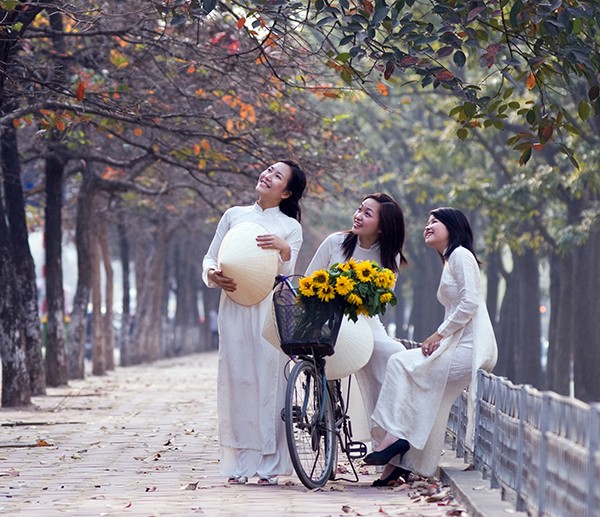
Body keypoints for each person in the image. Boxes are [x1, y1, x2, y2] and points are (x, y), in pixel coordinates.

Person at [364, 207, 498, 481]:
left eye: (435, 221)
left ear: (453, 227)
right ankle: (402, 465)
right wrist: (444, 339)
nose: (428, 226)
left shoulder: (461, 255)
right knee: (431, 401)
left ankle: (394, 437)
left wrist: (439, 335)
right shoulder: (450, 261)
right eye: (427, 221)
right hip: (458, 344)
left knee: (401, 362)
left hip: (470, 349)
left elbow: (469, 303)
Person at [202, 160, 307, 486]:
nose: (267, 175)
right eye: (268, 170)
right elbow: (210, 258)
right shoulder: (234, 215)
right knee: (237, 379)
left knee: (268, 381)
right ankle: (238, 463)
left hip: (267, 311)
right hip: (233, 307)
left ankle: (270, 463)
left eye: (277, 176)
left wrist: (284, 248)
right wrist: (212, 276)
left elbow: (287, 275)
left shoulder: (290, 226)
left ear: (286, 191)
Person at [304, 192, 410, 485]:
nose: (358, 216)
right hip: (327, 321)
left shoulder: (390, 258)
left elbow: (379, 301)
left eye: (367, 213)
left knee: (393, 355)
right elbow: (309, 281)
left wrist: (356, 297)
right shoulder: (334, 243)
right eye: (359, 209)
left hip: (365, 323)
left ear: (382, 226)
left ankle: (389, 442)